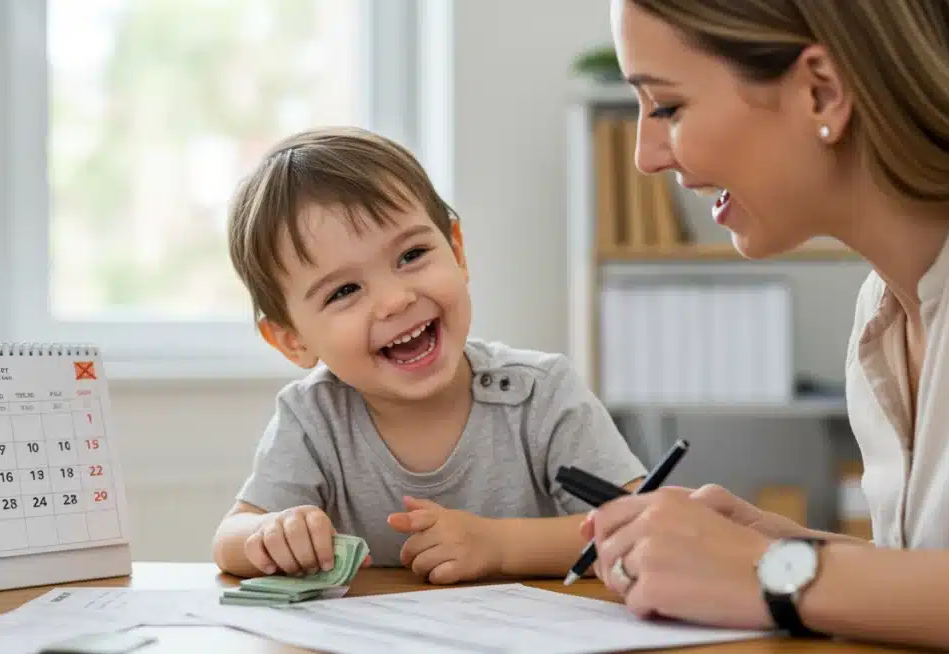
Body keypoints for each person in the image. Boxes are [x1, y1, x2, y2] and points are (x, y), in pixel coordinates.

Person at [582, 0, 949, 650]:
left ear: (822, 92)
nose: (645, 156)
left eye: (667, 107)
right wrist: (777, 546)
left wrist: (778, 576)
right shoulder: (881, 321)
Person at [211, 126, 647, 585]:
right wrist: (271, 532)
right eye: (344, 290)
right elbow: (229, 540)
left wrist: (496, 545)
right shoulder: (313, 418)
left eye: (412, 254)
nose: (396, 300)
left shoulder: (540, 394)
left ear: (456, 250)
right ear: (291, 340)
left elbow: (638, 526)